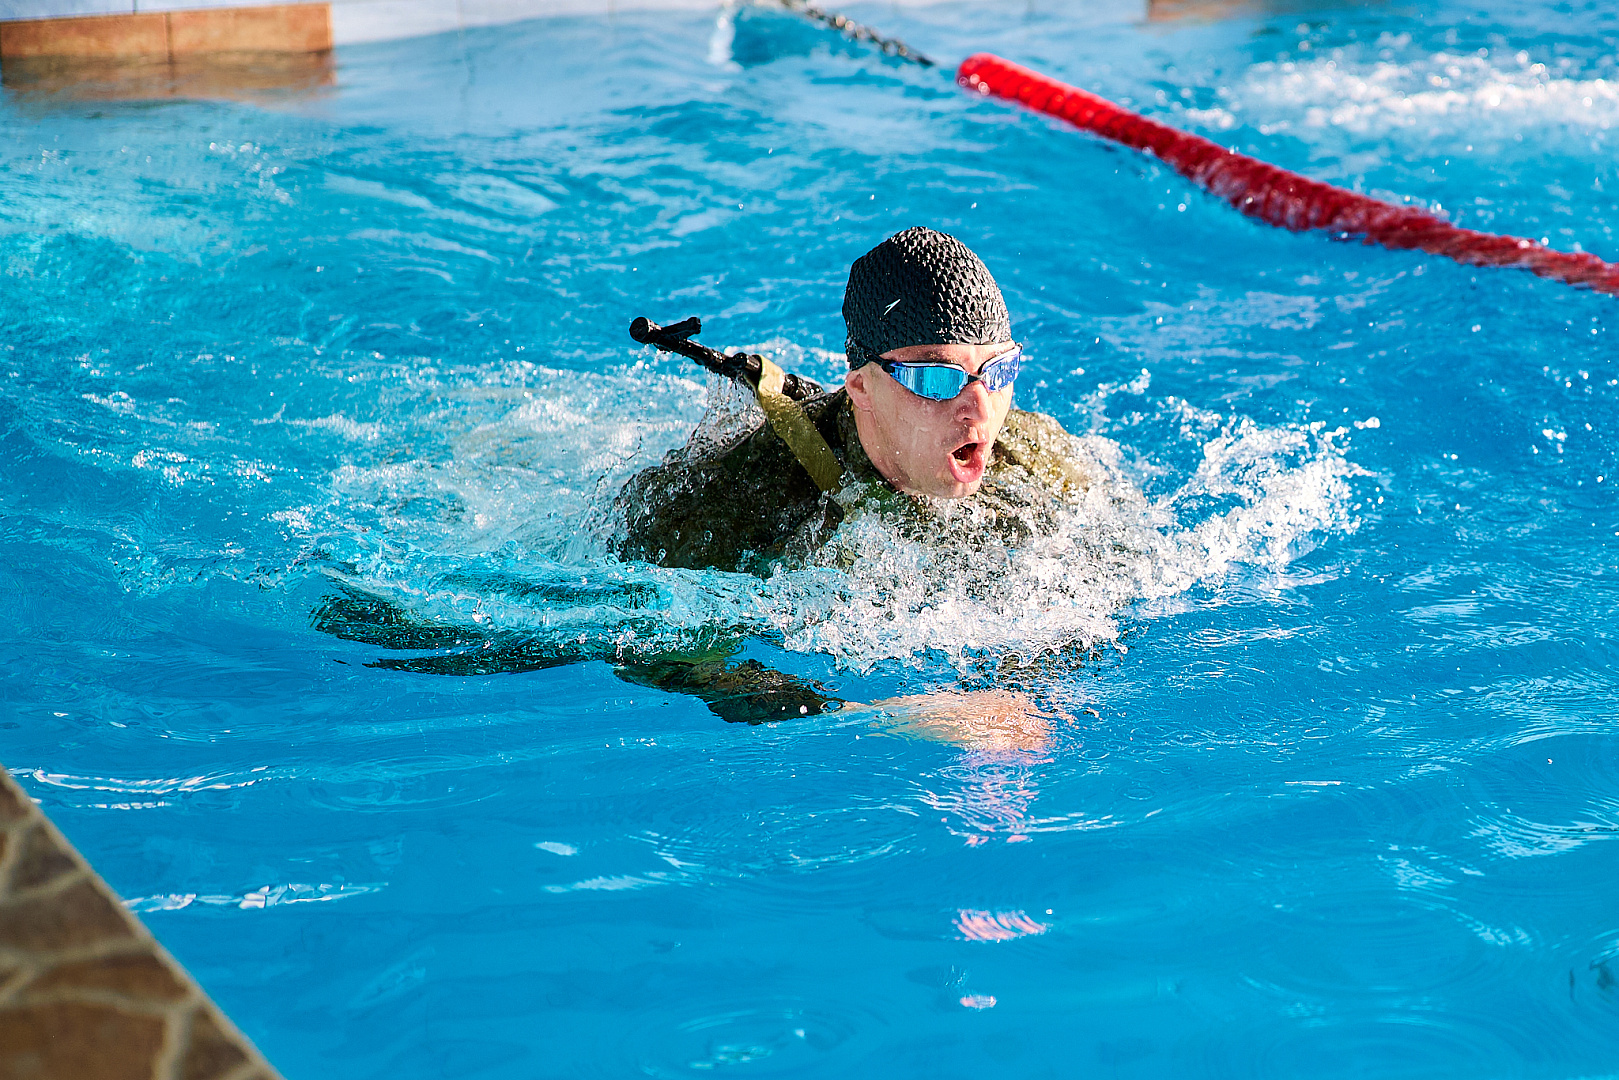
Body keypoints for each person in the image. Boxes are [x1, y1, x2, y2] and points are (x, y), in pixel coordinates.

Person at [615, 226, 1094, 576]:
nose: (981, 410)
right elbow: (648, 643)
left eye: (999, 370)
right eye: (935, 379)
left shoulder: (1037, 458)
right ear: (860, 386)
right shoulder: (740, 500)